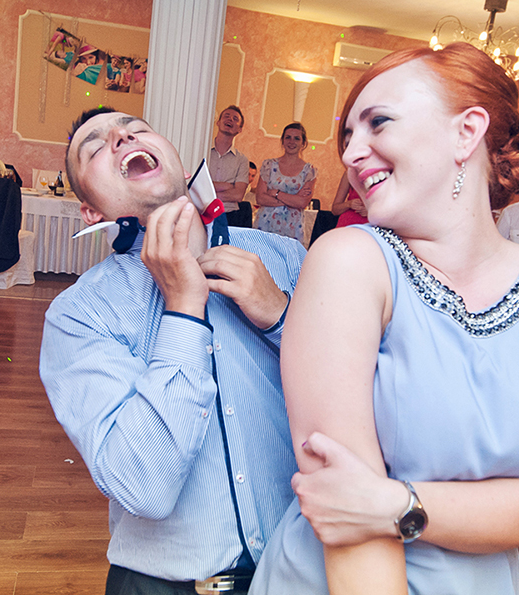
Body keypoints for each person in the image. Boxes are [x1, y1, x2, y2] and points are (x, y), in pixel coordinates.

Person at [250, 42, 519, 595]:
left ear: (467, 132)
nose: (351, 154)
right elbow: (344, 518)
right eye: (348, 136)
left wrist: (396, 503)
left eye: (378, 122)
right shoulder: (350, 260)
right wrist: (384, 510)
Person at [39, 107, 306, 595]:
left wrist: (281, 317)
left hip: (299, 575)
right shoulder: (79, 313)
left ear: (181, 165)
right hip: (162, 584)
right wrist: (183, 310)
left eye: (136, 129)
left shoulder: (287, 258)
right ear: (91, 211)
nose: (121, 137)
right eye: (94, 148)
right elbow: (145, 487)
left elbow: (366, 408)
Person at [254, 122, 316, 242]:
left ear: (303, 143)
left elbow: (302, 202)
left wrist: (276, 193)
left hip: (292, 228)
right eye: (288, 137)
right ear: (282, 140)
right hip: (266, 224)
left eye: (296, 138)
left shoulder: (309, 171)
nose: (291, 141)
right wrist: (292, 200)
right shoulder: (268, 165)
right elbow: (260, 198)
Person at [208, 105, 251, 227]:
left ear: (240, 129)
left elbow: (238, 195)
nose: (230, 119)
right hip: (202, 211)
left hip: (229, 215)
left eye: (235, 119)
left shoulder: (242, 160)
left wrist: (209, 191)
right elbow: (196, 185)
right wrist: (227, 186)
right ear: (218, 122)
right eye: (226, 116)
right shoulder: (203, 151)